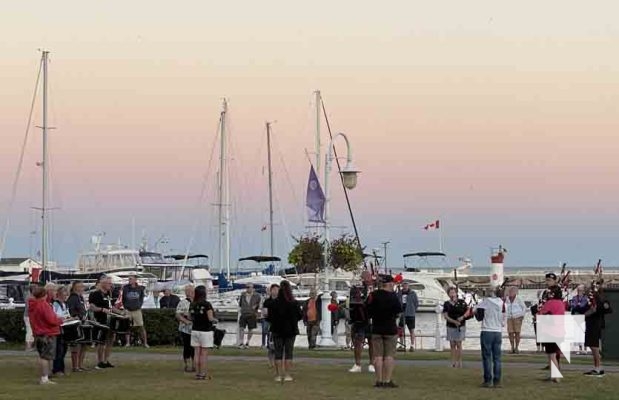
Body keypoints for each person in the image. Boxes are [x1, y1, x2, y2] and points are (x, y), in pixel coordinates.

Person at [366, 275, 401, 388]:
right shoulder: (393, 297)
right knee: (389, 356)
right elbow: (398, 312)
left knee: (378, 356)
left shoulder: (373, 295)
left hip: (377, 328)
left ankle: (379, 380)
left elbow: (367, 310)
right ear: (390, 283)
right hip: (390, 328)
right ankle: (387, 380)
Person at [267, 280, 303, 383]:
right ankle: (287, 375)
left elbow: (269, 317)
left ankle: (278, 375)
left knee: (278, 352)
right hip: (291, 330)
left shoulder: (274, 303)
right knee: (289, 352)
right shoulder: (294, 303)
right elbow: (300, 316)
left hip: (277, 330)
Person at [29, 285, 64, 385]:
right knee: (46, 357)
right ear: (44, 295)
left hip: (39, 333)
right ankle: (44, 378)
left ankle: (45, 376)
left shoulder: (33, 305)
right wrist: (60, 320)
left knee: (42, 356)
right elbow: (51, 320)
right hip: (47, 333)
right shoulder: (43, 305)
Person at [475, 287, 505, 388]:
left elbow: (479, 317)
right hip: (498, 331)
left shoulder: (485, 302)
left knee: (487, 357)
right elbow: (504, 318)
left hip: (487, 330)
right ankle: (497, 381)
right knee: (497, 358)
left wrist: (475, 310)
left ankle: (488, 380)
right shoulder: (502, 303)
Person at [189, 285, 217, 380]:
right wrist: (215, 320)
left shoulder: (192, 304)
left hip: (195, 330)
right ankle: (203, 373)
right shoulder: (207, 304)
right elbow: (210, 318)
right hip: (205, 331)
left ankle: (197, 373)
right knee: (204, 353)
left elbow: (189, 317)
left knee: (197, 353)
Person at [539, 285, 565, 383]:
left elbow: (541, 314)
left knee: (552, 355)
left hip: (550, 331)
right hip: (560, 331)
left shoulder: (549, 303)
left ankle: (556, 376)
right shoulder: (561, 303)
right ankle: (553, 375)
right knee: (553, 354)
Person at [583, 288, 612, 377]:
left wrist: (585, 314)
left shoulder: (597, 301)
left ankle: (597, 368)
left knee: (594, 346)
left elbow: (595, 310)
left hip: (594, 325)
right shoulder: (597, 301)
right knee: (594, 346)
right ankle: (598, 367)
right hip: (593, 324)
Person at [89, 276, 116, 369]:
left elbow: (111, 307)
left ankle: (106, 360)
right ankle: (100, 361)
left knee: (110, 339)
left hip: (110, 319)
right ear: (103, 283)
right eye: (109, 283)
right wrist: (101, 309)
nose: (110, 285)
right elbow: (92, 307)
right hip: (100, 320)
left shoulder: (108, 294)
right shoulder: (95, 294)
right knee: (101, 341)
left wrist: (120, 312)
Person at [347, 285, 374, 373]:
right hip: (358, 323)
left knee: (372, 343)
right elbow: (351, 313)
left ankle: (372, 364)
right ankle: (357, 364)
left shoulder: (369, 298)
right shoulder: (352, 301)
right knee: (358, 344)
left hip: (369, 323)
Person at [443, 287, 468, 368]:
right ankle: (453, 361)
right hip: (451, 326)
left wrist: (462, 318)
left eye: (453, 292)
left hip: (460, 326)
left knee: (458, 343)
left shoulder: (461, 302)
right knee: (452, 344)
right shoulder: (447, 303)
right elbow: (446, 316)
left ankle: (459, 361)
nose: (452, 294)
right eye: (450, 293)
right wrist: (454, 322)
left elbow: (467, 311)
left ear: (456, 293)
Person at [122, 275, 149, 348]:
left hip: (137, 310)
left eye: (131, 279)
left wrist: (139, 305)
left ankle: (145, 343)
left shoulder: (140, 288)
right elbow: (123, 299)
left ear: (135, 280)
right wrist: (125, 307)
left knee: (141, 326)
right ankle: (127, 343)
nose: (129, 280)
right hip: (128, 310)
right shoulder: (125, 288)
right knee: (127, 327)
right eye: (129, 279)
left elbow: (141, 298)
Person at [66, 281, 88, 372]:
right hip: (76, 323)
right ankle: (75, 366)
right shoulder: (73, 298)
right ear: (75, 288)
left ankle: (80, 364)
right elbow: (71, 310)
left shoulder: (81, 297)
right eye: (80, 286)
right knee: (76, 344)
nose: (82, 288)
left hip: (83, 322)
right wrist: (78, 316)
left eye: (83, 286)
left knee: (84, 344)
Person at [176, 285, 195, 373]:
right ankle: (187, 364)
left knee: (194, 347)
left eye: (191, 291)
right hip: (185, 329)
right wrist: (186, 321)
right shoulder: (182, 302)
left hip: (196, 329)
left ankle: (195, 364)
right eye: (188, 291)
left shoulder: (197, 302)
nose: (190, 293)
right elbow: (178, 314)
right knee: (187, 347)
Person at [52, 286, 71, 376]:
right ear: (59, 294)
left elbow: (66, 314)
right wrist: (66, 319)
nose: (66, 295)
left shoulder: (65, 304)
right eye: (64, 293)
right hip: (58, 328)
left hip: (65, 328)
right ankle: (57, 369)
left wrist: (70, 318)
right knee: (59, 350)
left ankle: (61, 368)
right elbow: (56, 316)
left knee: (64, 349)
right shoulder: (56, 304)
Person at [397, 281, 419, 352]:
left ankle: (412, 345)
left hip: (410, 314)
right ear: (402, 286)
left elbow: (416, 303)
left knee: (411, 330)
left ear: (408, 286)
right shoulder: (399, 293)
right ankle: (401, 344)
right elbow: (397, 302)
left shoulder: (413, 293)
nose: (405, 286)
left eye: (406, 285)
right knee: (400, 330)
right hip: (402, 314)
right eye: (404, 285)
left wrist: (413, 310)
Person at [262, 284, 280, 368]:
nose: (276, 291)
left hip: (279, 324)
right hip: (270, 323)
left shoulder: (281, 301)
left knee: (278, 345)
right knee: (270, 345)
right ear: (271, 290)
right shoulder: (267, 302)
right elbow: (265, 313)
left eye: (277, 290)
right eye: (274, 289)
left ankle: (277, 361)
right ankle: (270, 362)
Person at [237, 283, 261, 348]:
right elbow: (240, 304)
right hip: (244, 314)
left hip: (252, 314)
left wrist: (256, 307)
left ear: (253, 288)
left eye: (249, 287)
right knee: (241, 328)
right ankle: (241, 342)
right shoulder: (243, 295)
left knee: (251, 329)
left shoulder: (257, 295)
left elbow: (259, 303)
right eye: (247, 287)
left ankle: (247, 342)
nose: (248, 288)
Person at [505, 286, 526, 354]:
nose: (510, 293)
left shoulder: (519, 299)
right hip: (509, 317)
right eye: (509, 291)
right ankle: (512, 347)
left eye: (512, 291)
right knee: (510, 332)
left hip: (517, 317)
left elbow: (524, 307)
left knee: (517, 332)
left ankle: (517, 347)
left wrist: (522, 316)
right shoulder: (506, 299)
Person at [570, 284, 589, 354]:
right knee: (578, 333)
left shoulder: (586, 298)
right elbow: (573, 306)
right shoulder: (574, 298)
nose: (579, 291)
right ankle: (580, 348)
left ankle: (585, 348)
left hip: (584, 317)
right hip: (576, 317)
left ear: (583, 291)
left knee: (584, 332)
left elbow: (584, 306)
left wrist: (579, 306)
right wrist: (578, 307)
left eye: (580, 290)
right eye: (578, 290)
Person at [24, 285, 35, 351]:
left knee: (31, 331)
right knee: (29, 330)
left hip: (30, 316)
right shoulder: (30, 298)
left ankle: (30, 345)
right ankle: (28, 346)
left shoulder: (31, 297)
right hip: (28, 316)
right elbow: (29, 308)